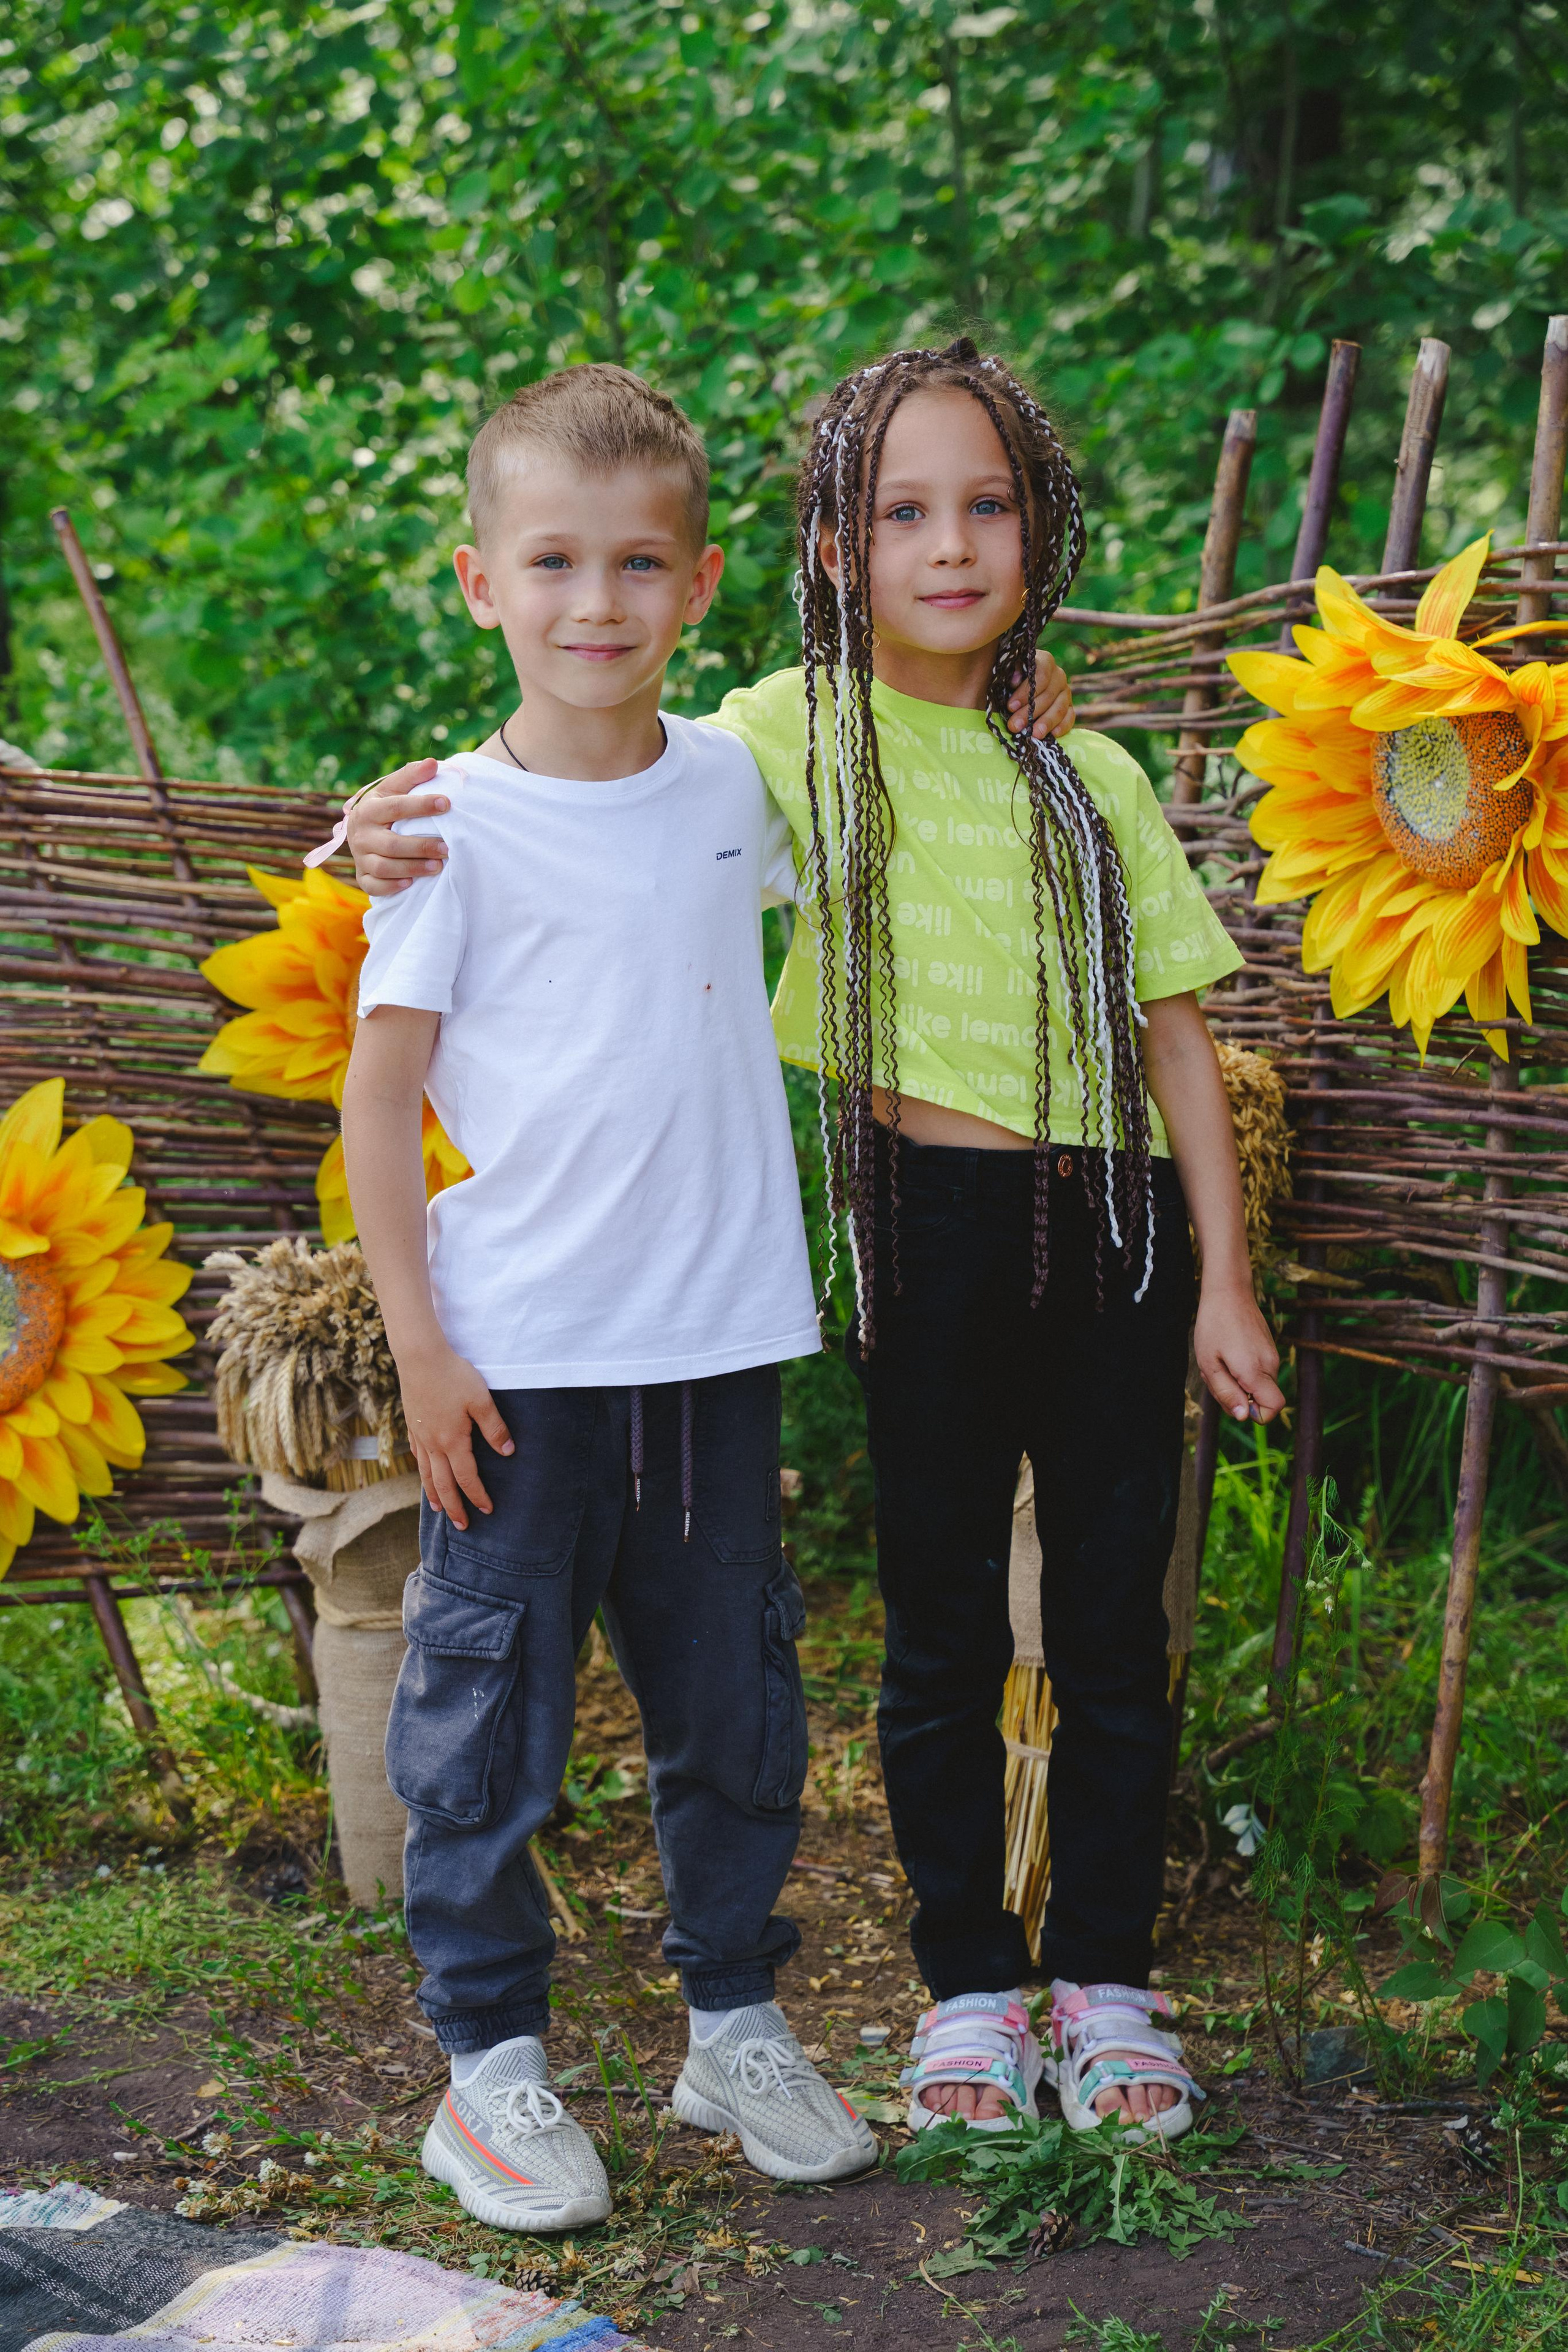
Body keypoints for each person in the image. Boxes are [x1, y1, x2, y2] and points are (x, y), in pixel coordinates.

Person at [346, 339, 1282, 2149]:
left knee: (1080, 1625)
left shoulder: (1061, 770)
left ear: (1040, 530)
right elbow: (558, 786)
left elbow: (1176, 1028)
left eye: (986, 506)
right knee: (921, 1629)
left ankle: (1100, 1983)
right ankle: (950, 1996)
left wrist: (1222, 1275)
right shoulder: (784, 731)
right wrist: (359, 833)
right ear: (835, 553)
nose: (949, 545)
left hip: (1088, 1235)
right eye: (903, 512)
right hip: (895, 1238)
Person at [338, 363, 882, 2234]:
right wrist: (419, 1341)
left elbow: (902, 796)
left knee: (733, 1704)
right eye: (553, 563)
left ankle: (731, 2022)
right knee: (488, 1719)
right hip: (518, 1360)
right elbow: (380, 1093)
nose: (597, 605)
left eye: (637, 565)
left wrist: (1023, 711)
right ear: (479, 580)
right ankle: (487, 2069)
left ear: (702, 582)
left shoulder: (736, 782)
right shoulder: (441, 829)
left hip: (718, 1343)